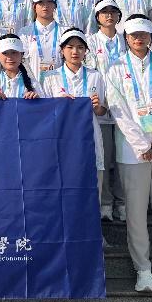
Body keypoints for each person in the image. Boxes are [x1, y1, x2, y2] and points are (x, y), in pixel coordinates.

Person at [106, 14, 152, 295]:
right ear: (126, 38)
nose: (139, 39)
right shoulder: (115, 68)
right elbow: (118, 108)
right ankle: (143, 270)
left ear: (151, 36)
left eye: (143, 34)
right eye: (133, 35)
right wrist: (141, 144)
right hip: (132, 152)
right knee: (136, 214)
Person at [41, 28, 106, 196]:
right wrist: (58, 104)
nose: (75, 51)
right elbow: (43, 114)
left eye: (80, 47)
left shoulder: (95, 76)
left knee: (92, 186)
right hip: (60, 136)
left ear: (86, 51)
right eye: (70, 47)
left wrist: (97, 107)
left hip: (89, 135)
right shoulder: (50, 77)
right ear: (62, 50)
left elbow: (102, 111)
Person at [85, 0, 127, 222]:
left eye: (113, 11)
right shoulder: (90, 42)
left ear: (119, 16)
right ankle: (106, 203)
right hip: (100, 108)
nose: (109, 15)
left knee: (123, 160)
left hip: (125, 109)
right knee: (104, 157)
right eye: (104, 12)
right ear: (97, 17)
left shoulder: (126, 40)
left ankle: (122, 202)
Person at [17, 0, 64, 80]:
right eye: (41, 2)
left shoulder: (65, 31)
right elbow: (22, 61)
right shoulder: (25, 32)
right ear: (34, 6)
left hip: (61, 84)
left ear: (55, 5)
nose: (45, 6)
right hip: (33, 84)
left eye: (49, 1)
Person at [0, 34, 42, 99]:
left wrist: (37, 101)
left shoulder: (34, 85)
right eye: (5, 53)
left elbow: (44, 105)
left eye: (14, 52)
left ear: (22, 55)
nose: (10, 57)